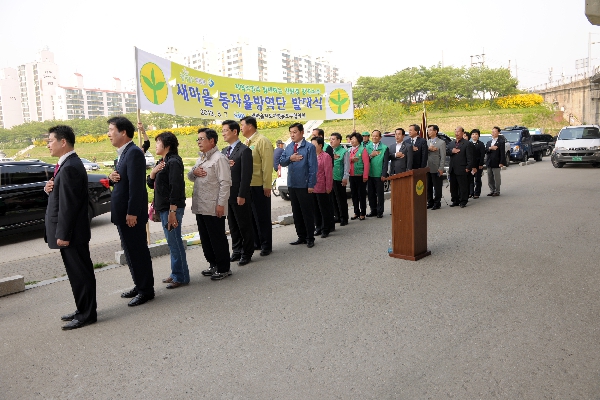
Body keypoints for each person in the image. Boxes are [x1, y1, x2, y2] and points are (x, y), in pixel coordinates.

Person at [44, 125, 97, 330]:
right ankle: (82, 308)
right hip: (71, 231)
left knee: (81, 273)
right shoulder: (66, 165)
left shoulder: (70, 167)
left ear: (63, 142)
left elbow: (70, 206)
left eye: (50, 141)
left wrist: (64, 234)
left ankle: (87, 314)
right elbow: (62, 197)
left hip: (72, 233)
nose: (48, 144)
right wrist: (50, 188)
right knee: (76, 273)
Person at [107, 116, 154, 307]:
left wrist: (133, 212)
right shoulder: (123, 153)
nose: (109, 134)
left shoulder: (133, 152)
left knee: (137, 251)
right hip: (123, 213)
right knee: (130, 251)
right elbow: (123, 180)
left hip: (130, 214)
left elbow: (136, 186)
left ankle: (146, 290)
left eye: (111, 129)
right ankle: (139, 284)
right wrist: (112, 177)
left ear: (123, 132)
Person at [188, 128, 232, 280]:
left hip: (213, 206)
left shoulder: (219, 158)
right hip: (201, 205)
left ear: (211, 140)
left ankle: (224, 268)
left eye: (202, 139)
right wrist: (194, 173)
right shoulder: (201, 159)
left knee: (217, 237)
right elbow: (190, 176)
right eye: (198, 139)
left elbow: (225, 183)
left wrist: (221, 204)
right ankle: (213, 264)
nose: (199, 142)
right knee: (206, 238)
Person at [146, 131, 188, 289]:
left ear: (167, 145)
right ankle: (176, 272)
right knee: (172, 243)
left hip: (172, 209)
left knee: (175, 242)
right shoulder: (161, 161)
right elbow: (151, 184)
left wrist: (172, 212)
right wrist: (153, 173)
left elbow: (176, 188)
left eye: (158, 142)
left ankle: (181, 276)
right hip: (164, 208)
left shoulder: (174, 162)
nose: (156, 145)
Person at [222, 120, 255, 266]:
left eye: (225, 130)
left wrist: (242, 194)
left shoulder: (244, 150)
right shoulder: (224, 151)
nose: (223, 133)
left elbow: (246, 175)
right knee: (232, 224)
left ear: (234, 132)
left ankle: (247, 252)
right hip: (227, 194)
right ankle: (236, 250)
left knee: (244, 224)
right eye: (222, 130)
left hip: (239, 194)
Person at [279, 122, 317, 247]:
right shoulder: (289, 147)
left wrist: (311, 184)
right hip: (292, 183)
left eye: (295, 132)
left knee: (307, 211)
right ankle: (301, 236)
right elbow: (282, 162)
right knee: (296, 212)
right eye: (290, 132)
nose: (292, 135)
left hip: (304, 184)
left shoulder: (309, 147)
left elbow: (313, 167)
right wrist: (291, 158)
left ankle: (310, 237)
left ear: (302, 132)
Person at [241, 116, 274, 256]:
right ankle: (257, 242)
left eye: (242, 125)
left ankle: (266, 244)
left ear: (250, 126)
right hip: (248, 185)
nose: (241, 128)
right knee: (252, 216)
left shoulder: (262, 141)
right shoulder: (246, 142)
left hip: (259, 185)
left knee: (262, 216)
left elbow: (267, 165)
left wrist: (267, 185)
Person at [312, 128, 335, 232]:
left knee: (324, 209)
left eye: (314, 145)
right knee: (315, 209)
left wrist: (328, 187)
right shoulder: (311, 156)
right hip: (312, 187)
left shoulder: (325, 156)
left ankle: (326, 228)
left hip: (322, 186)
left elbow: (328, 173)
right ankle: (318, 226)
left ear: (320, 146)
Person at [446, 126, 475, 208]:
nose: (456, 133)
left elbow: (470, 157)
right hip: (453, 168)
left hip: (462, 168)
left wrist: (468, 167)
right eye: (455, 131)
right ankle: (455, 200)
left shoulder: (467, 143)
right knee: (453, 186)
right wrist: (452, 151)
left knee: (463, 186)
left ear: (462, 133)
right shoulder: (452, 143)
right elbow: (447, 151)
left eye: (458, 132)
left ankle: (463, 201)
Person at [366, 130, 389, 218]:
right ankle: (373, 210)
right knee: (371, 193)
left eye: (376, 136)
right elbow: (364, 160)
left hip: (379, 174)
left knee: (380, 194)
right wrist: (371, 155)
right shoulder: (367, 147)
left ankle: (380, 211)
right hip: (369, 174)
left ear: (380, 137)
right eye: (373, 136)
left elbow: (385, 162)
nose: (374, 138)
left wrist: (383, 174)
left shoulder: (384, 148)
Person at [348, 132, 369, 221]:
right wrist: (350, 159)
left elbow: (366, 163)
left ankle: (363, 212)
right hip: (351, 175)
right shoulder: (349, 150)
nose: (352, 140)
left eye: (353, 138)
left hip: (360, 175)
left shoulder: (362, 150)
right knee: (354, 194)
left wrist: (365, 175)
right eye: (351, 139)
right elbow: (345, 161)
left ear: (358, 140)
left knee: (361, 195)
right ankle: (356, 211)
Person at [329, 132, 350, 226]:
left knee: (341, 199)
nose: (331, 141)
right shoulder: (330, 151)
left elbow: (346, 165)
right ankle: (337, 216)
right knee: (333, 199)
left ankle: (344, 218)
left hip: (339, 178)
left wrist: (345, 177)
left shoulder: (344, 152)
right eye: (330, 139)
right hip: (331, 178)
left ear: (339, 140)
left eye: (333, 139)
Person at [426, 124, 446, 210]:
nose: (428, 132)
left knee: (437, 186)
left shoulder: (441, 143)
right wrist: (428, 149)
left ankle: (437, 202)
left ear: (435, 131)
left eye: (430, 130)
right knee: (428, 186)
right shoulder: (426, 142)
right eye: (428, 130)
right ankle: (430, 202)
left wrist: (441, 168)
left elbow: (443, 156)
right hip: (427, 167)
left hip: (436, 167)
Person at [485, 126, 506, 196]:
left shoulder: (501, 142)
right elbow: (486, 150)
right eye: (492, 131)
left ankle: (497, 191)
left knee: (496, 178)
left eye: (495, 131)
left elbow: (502, 153)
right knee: (490, 177)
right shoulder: (489, 142)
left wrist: (501, 162)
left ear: (498, 133)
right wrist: (490, 148)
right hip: (489, 162)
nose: (493, 133)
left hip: (496, 162)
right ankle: (492, 190)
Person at [469, 129, 486, 199]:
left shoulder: (481, 144)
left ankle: (477, 193)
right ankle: (471, 192)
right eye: (473, 134)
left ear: (478, 135)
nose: (474, 136)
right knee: (470, 179)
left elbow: (482, 155)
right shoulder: (469, 143)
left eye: (476, 134)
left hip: (478, 164)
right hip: (470, 165)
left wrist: (481, 164)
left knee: (477, 179)